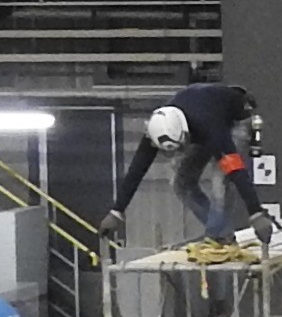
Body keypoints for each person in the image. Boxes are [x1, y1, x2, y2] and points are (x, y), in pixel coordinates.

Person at [114, 79, 266, 235]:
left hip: (235, 119)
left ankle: (218, 235)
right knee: (182, 184)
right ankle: (222, 233)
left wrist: (256, 213)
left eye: (180, 147)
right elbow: (137, 169)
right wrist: (117, 211)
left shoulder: (209, 128)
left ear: (185, 134)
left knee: (220, 181)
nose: (178, 153)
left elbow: (236, 169)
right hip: (202, 116)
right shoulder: (156, 129)